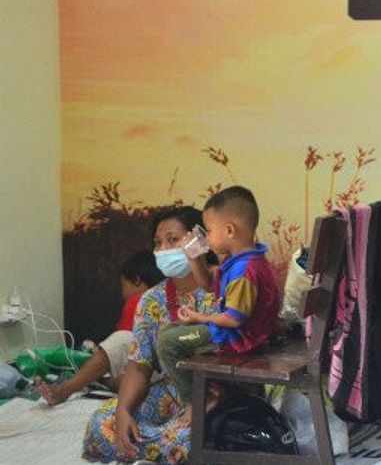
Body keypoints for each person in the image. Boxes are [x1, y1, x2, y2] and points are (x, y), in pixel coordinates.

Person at [83, 206, 218, 464]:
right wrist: (124, 410)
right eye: (158, 243)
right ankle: (156, 448)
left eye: (173, 239)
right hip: (170, 393)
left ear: (198, 241)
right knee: (102, 425)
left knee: (185, 442)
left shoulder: (222, 288)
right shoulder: (151, 301)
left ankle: (159, 447)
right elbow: (139, 367)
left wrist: (203, 403)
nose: (163, 250)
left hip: (214, 395)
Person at [156, 185, 281, 417]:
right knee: (169, 332)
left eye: (211, 230)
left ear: (230, 230)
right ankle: (207, 395)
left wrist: (199, 317)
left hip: (238, 338)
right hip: (237, 333)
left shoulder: (245, 270)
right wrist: (194, 256)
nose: (208, 236)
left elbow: (233, 320)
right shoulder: (242, 260)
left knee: (168, 343)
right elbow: (207, 284)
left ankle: (200, 400)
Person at [35, 250, 163, 405]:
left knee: (119, 345)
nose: (122, 293)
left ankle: (65, 390)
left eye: (123, 285)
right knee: (123, 376)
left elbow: (122, 344)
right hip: (161, 373)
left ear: (136, 280)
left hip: (152, 370)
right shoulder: (165, 295)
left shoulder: (139, 301)